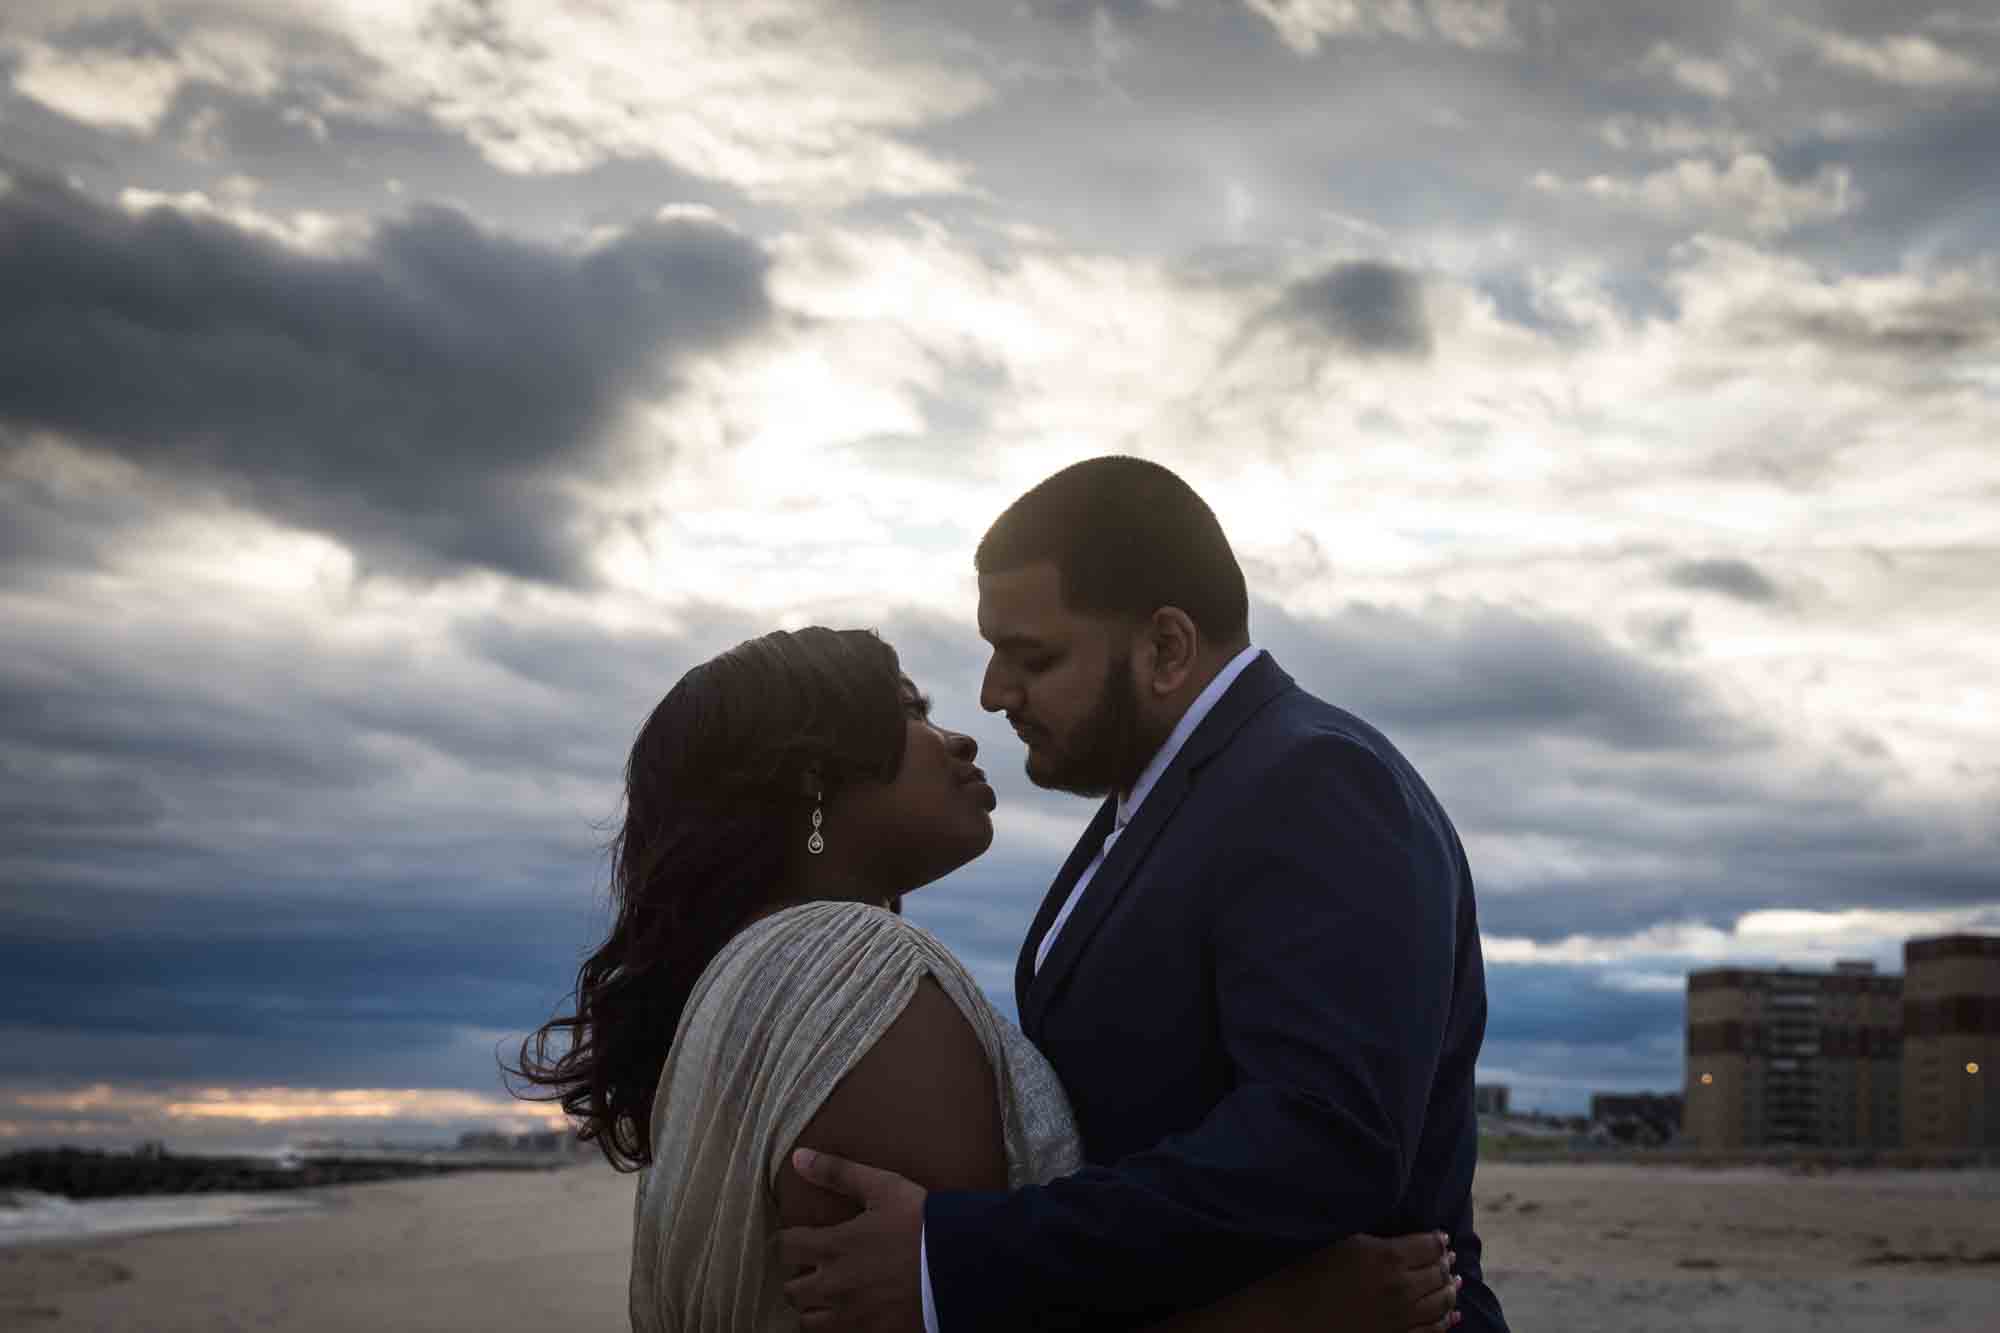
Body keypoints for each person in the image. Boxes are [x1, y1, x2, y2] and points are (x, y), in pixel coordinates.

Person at [512, 626, 1461, 1331]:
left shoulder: (752, 978)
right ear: (812, 779)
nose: (960, 736)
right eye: (910, 712)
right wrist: (1289, 1312)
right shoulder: (849, 971)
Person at [777, 457, 1508, 1332]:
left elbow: (1322, 1142)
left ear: (1166, 647)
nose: (992, 694)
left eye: (1031, 656)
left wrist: (956, 1257)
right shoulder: (1158, 798)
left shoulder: (1314, 779)